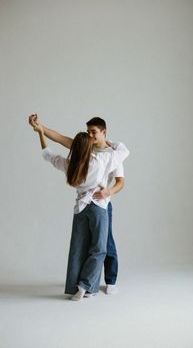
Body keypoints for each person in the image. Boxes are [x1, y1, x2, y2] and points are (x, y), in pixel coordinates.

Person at [29, 119, 129, 301]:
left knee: (80, 247)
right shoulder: (104, 158)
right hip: (99, 205)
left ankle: (90, 283)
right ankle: (86, 286)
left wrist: (40, 132)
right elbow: (124, 150)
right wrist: (111, 144)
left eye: (93, 132)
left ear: (103, 131)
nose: (90, 135)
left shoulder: (71, 163)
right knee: (99, 248)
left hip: (81, 208)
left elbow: (49, 154)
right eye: (88, 133)